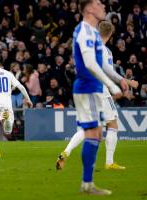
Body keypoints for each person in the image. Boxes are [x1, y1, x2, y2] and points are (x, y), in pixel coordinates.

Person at [56, 20, 139, 170]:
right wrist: (129, 82)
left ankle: (65, 152)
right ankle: (109, 162)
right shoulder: (105, 51)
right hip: (99, 91)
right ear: (110, 34)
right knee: (112, 124)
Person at [68, 0, 126, 195]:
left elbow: (103, 63)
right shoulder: (84, 31)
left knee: (95, 134)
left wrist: (119, 79)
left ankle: (87, 183)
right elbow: (92, 64)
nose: (104, 7)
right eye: (100, 4)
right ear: (90, 9)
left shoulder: (93, 32)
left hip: (93, 87)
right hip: (87, 87)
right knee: (93, 133)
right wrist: (111, 85)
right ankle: (87, 184)